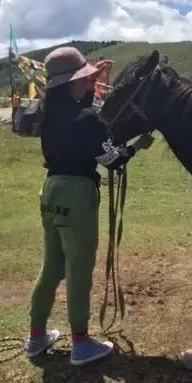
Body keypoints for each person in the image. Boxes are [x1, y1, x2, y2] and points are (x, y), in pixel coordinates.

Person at [24, 46, 154, 366]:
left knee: (52, 267)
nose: (90, 84)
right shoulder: (88, 121)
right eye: (85, 78)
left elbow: (78, 106)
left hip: (51, 191)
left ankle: (36, 336)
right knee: (79, 270)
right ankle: (81, 344)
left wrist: (93, 76)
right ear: (74, 82)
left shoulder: (49, 111)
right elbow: (113, 160)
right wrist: (137, 147)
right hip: (77, 195)